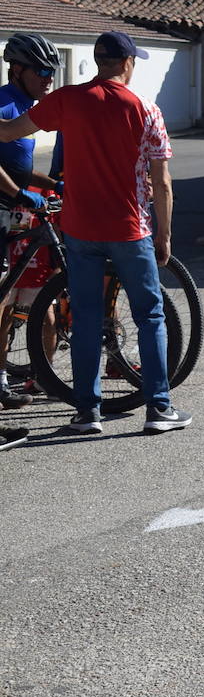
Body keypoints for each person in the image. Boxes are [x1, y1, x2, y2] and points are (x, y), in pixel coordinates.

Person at [0, 30, 190, 435]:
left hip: (80, 229)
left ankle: (88, 413)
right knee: (150, 316)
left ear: (98, 61)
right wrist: (165, 234)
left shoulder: (67, 100)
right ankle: (159, 409)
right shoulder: (146, 109)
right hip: (130, 228)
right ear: (127, 63)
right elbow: (164, 182)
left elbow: (6, 132)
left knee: (85, 319)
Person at [0, 34, 65, 415]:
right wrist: (18, 194)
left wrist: (53, 184)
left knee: (29, 296)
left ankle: (41, 375)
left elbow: (19, 169)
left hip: (14, 210)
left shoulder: (28, 106)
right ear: (18, 69)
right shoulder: (4, 103)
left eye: (52, 72)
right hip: (2, 209)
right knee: (3, 299)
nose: (48, 79)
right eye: (42, 71)